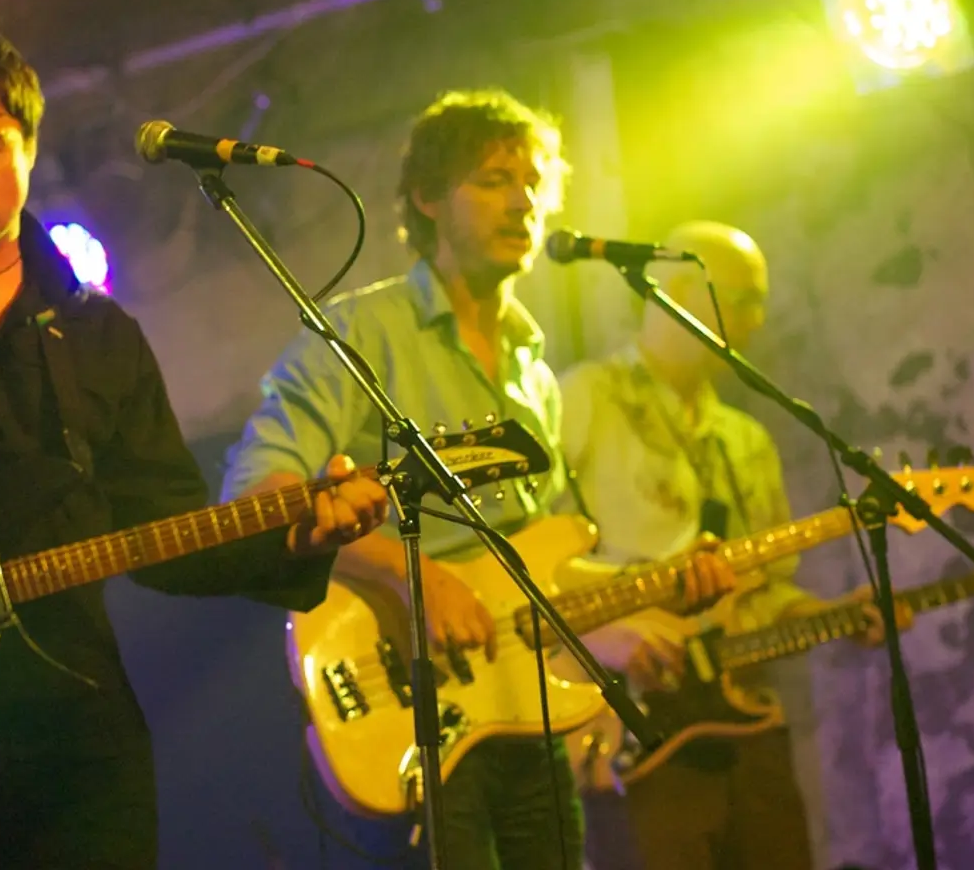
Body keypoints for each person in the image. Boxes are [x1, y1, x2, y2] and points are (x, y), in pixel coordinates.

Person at [0, 29, 389, 870]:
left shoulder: (96, 332)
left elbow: (167, 538)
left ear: (29, 146)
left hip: (72, 740)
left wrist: (296, 535)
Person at [222, 90, 731, 868]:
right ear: (427, 197)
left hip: (529, 717)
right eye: (493, 179)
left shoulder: (537, 375)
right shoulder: (358, 334)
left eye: (532, 182)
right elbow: (256, 500)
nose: (521, 201)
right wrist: (411, 575)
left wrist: (659, 587)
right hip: (408, 711)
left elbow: (539, 566)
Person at [561, 220, 909, 870]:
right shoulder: (585, 397)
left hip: (743, 726)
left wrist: (831, 615)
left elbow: (766, 591)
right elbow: (532, 560)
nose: (755, 320)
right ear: (684, 290)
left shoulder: (745, 438)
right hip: (632, 726)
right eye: (742, 299)